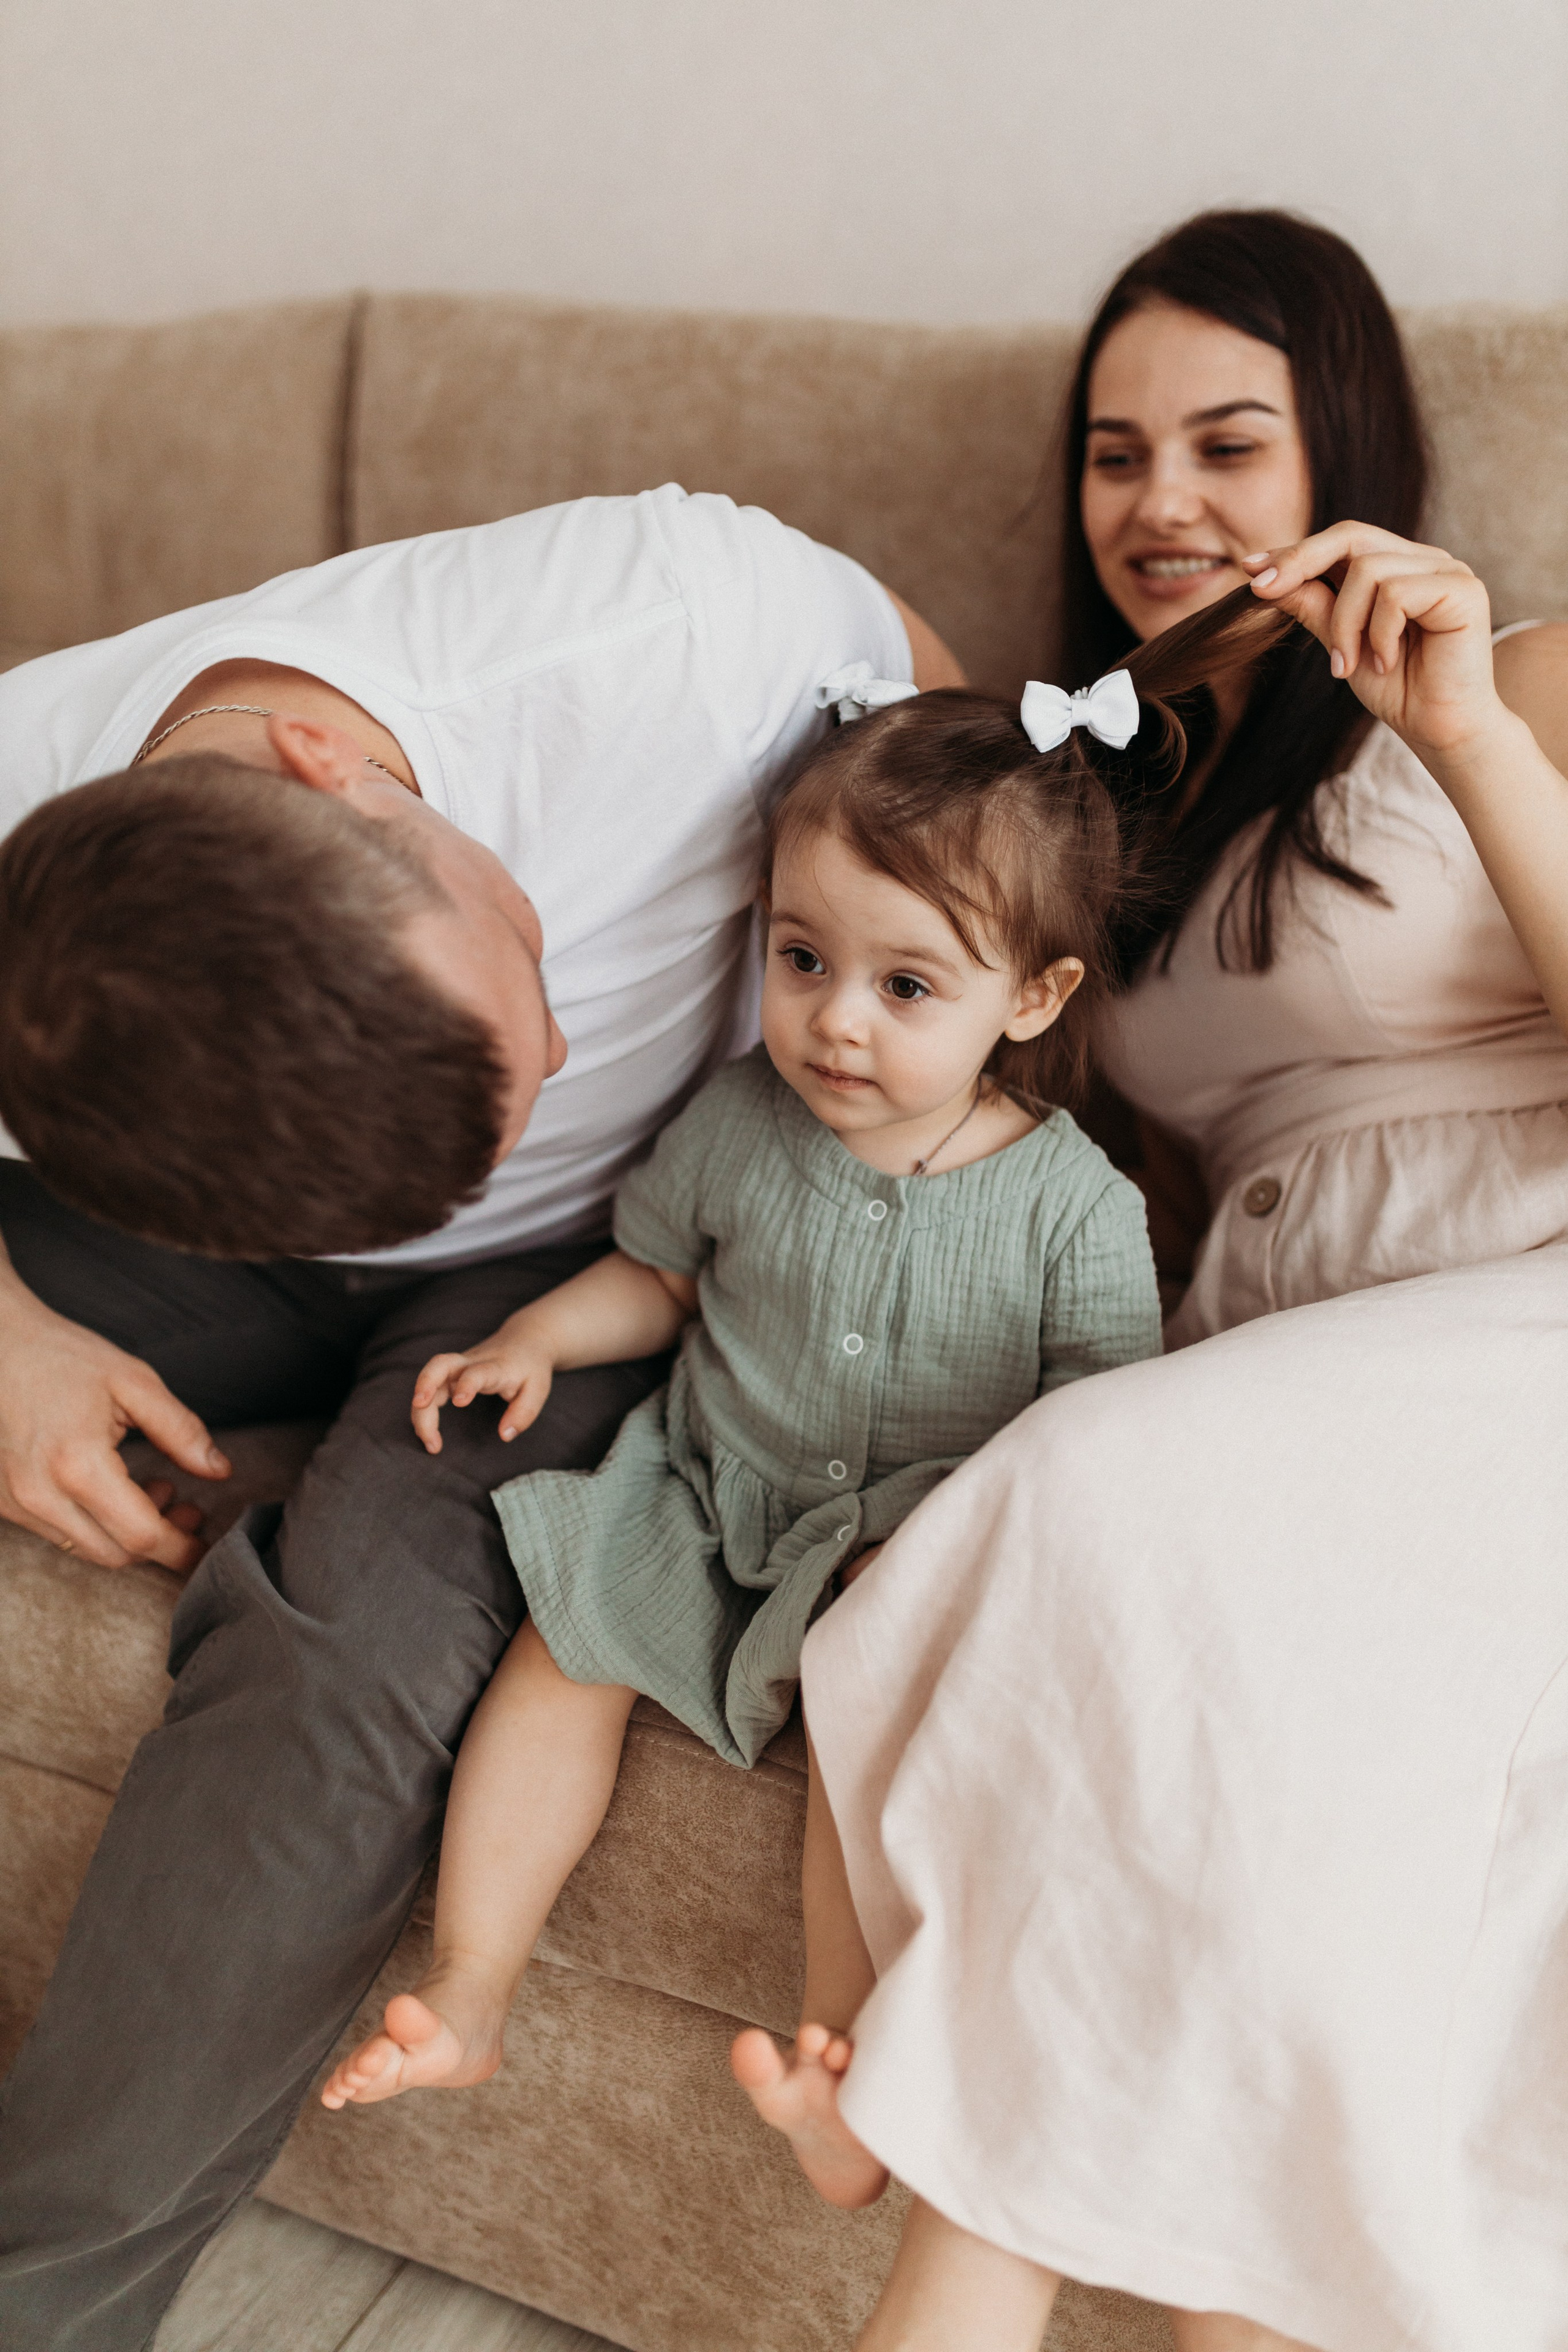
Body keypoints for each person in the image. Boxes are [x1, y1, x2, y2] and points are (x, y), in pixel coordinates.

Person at [0, 484, 962, 2351]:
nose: (558, 1049)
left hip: (594, 1273)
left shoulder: (677, 632)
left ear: (337, 767)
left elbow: (975, 786)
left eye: (512, 1002)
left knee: (354, 1669)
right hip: (172, 1234)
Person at [771, 211, 1568, 2352]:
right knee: (1195, 1768)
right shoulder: (1111, 797)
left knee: (1083, 1503)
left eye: (1228, 443)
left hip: (1529, 1303)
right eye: (1115, 456)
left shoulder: (1536, 670)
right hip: (1282, 1354)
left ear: (1350, 452)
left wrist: (1473, 729)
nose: (1163, 504)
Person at [313, 669, 1163, 2146]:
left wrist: (948, 1561)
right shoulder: (739, 1119)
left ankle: (842, 2070)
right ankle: (470, 1990)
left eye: (906, 988)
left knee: (859, 1730)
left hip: (896, 1545)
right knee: (558, 1652)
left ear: (1029, 998)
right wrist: (537, 1336)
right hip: (707, 1485)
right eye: (801, 959)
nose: (836, 1024)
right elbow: (659, 1281)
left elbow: (1095, 1442)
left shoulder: (1074, 1210)